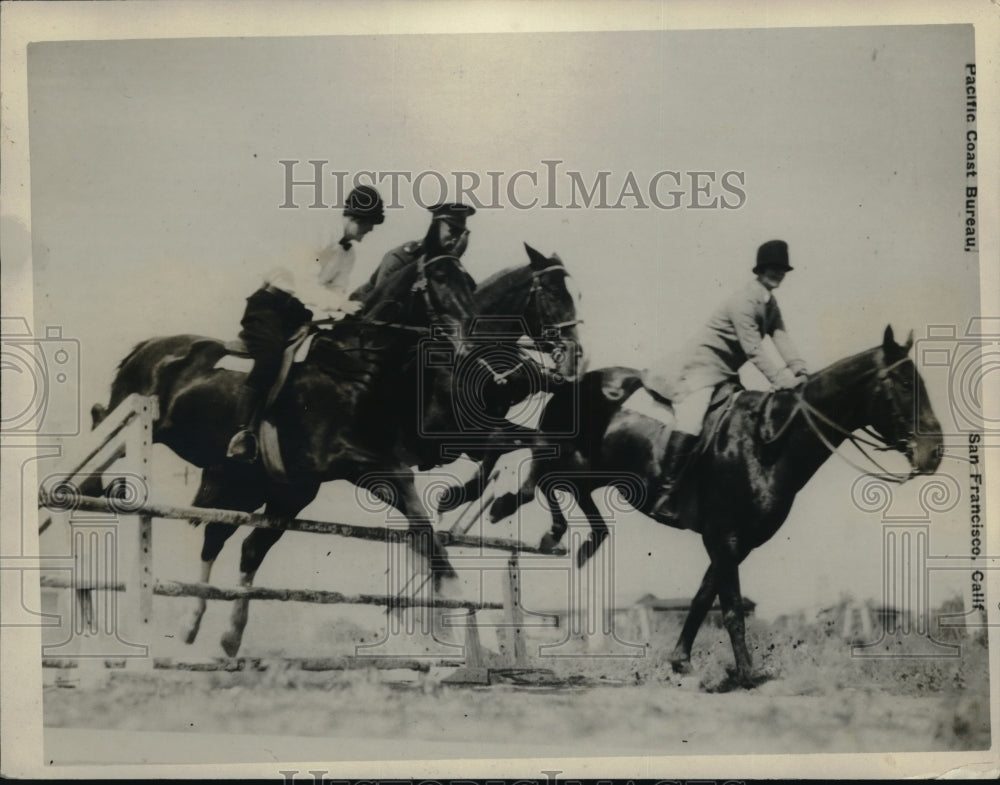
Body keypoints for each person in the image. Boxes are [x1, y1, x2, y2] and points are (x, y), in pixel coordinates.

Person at [647, 239, 809, 522]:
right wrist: (781, 379)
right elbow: (753, 349)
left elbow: (780, 335)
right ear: (759, 270)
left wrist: (800, 370)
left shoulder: (770, 303)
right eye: (772, 268)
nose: (777, 273)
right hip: (700, 369)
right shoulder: (744, 301)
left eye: (781, 269)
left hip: (725, 373)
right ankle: (666, 494)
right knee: (692, 420)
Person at [226, 185, 385, 462]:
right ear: (357, 218)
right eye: (370, 224)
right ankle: (241, 433)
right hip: (268, 308)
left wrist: (346, 309)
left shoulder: (349, 253)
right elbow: (305, 284)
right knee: (270, 359)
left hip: (297, 314)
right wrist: (339, 304)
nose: (370, 231)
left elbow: (338, 290)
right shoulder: (318, 233)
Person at [350, 202, 476, 306]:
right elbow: (381, 304)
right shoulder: (402, 257)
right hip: (361, 314)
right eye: (452, 231)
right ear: (435, 227)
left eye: (460, 234)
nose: (455, 240)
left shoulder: (446, 265)